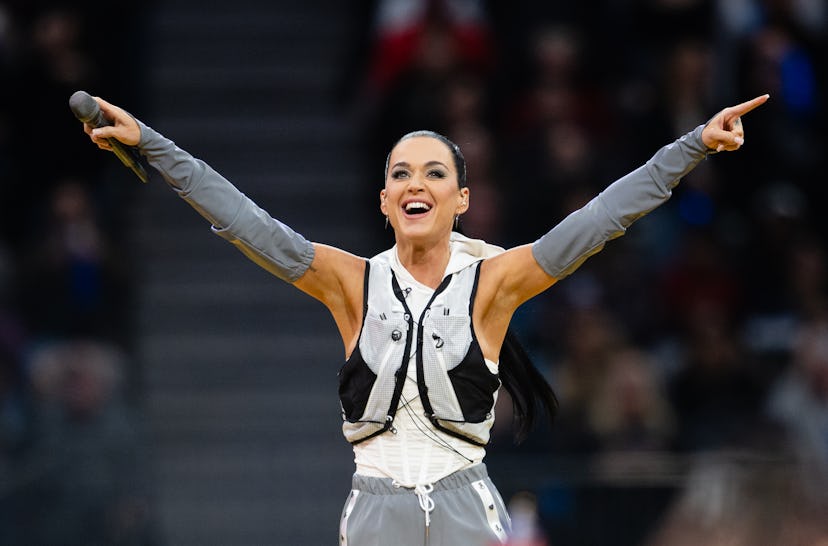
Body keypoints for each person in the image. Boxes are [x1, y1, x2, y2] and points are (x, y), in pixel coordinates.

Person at [78, 92, 768, 545]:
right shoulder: (349, 283)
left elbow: (599, 221)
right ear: (384, 200)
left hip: (468, 508)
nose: (416, 183)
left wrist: (693, 147)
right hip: (375, 512)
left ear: (461, 199)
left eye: (435, 173)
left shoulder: (494, 285)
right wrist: (153, 144)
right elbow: (243, 219)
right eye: (402, 173)